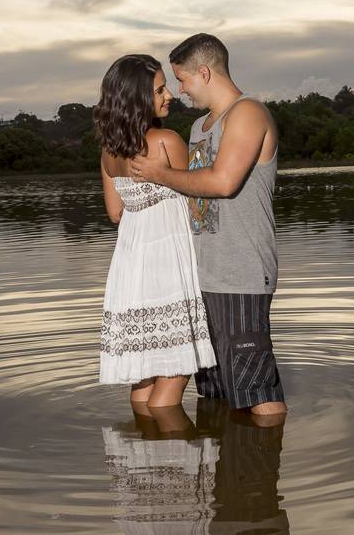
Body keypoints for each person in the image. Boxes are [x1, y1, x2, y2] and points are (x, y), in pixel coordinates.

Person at [130, 34, 287, 416]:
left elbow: (222, 182)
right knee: (215, 393)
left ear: (204, 72)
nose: (179, 90)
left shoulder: (247, 113)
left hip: (240, 273)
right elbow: (192, 196)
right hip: (203, 276)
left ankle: (261, 469)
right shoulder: (200, 126)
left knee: (257, 393)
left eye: (182, 80)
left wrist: (161, 174)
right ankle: (225, 463)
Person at [95, 53, 216, 408]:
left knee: (145, 379)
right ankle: (171, 454)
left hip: (132, 268)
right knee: (174, 372)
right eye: (160, 90)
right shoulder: (167, 141)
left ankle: (142, 456)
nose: (169, 96)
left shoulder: (108, 151)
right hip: (167, 267)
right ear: (138, 98)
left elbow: (115, 213)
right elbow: (198, 204)